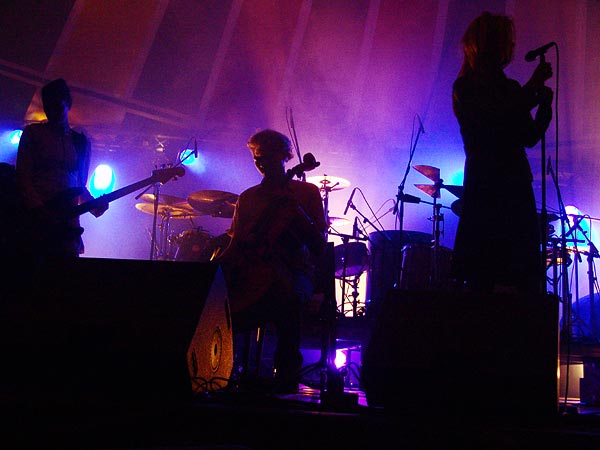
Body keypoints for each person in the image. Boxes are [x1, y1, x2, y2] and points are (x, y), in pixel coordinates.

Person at [218, 129, 327, 394]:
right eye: (257, 158)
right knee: (220, 306)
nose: (261, 163)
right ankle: (224, 372)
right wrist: (213, 272)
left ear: (284, 155)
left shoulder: (306, 192)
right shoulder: (248, 198)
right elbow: (237, 245)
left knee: (287, 298)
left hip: (295, 270)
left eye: (266, 156)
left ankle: (286, 377)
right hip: (254, 272)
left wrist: (294, 208)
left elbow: (318, 244)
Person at [451, 12, 553, 294]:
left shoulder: (509, 89)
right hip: (490, 187)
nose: (511, 46)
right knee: (486, 275)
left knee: (516, 277)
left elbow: (528, 136)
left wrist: (543, 108)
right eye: (506, 41)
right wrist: (533, 88)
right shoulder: (466, 87)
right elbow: (496, 114)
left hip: (510, 187)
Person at [15, 78, 108, 263]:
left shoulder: (81, 142)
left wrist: (95, 206)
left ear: (68, 103)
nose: (53, 111)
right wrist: (40, 211)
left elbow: (79, 186)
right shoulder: (33, 134)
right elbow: (23, 178)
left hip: (68, 229)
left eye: (57, 105)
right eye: (49, 106)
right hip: (37, 226)